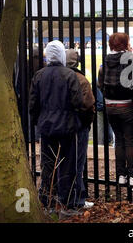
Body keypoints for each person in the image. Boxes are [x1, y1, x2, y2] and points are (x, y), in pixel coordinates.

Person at [29, 40, 84, 217]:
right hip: (67, 126)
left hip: (47, 126)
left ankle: (48, 202)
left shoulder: (39, 75)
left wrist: (40, 119)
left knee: (47, 165)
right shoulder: (69, 75)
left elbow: (33, 105)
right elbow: (78, 102)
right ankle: (68, 205)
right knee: (69, 166)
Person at [101, 33, 133, 186]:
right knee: (129, 141)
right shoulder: (130, 58)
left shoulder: (106, 59)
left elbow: (100, 81)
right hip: (126, 104)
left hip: (110, 104)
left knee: (119, 140)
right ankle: (132, 176)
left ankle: (121, 175)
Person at [65, 49, 95, 209]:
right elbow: (88, 105)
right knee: (77, 162)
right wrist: (86, 122)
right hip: (77, 126)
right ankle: (77, 198)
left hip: (60, 125)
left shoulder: (58, 76)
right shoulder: (81, 79)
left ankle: (63, 195)